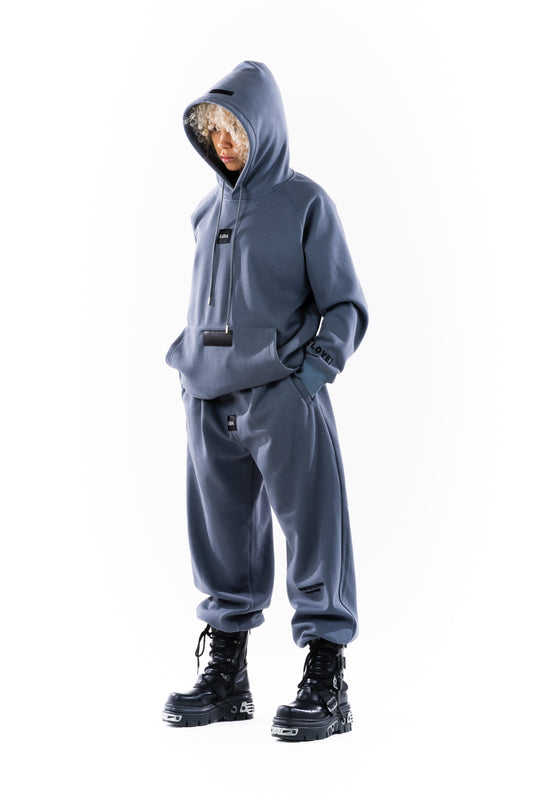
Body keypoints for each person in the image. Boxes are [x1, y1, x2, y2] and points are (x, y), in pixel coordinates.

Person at [162, 61, 369, 741]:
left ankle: (326, 681)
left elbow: (344, 304)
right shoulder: (204, 212)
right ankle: (227, 678)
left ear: (265, 129)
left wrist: (311, 375)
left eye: (237, 130)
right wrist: (191, 372)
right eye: (214, 132)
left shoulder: (305, 202)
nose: (224, 143)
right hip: (206, 396)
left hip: (281, 394)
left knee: (314, 527)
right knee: (220, 539)